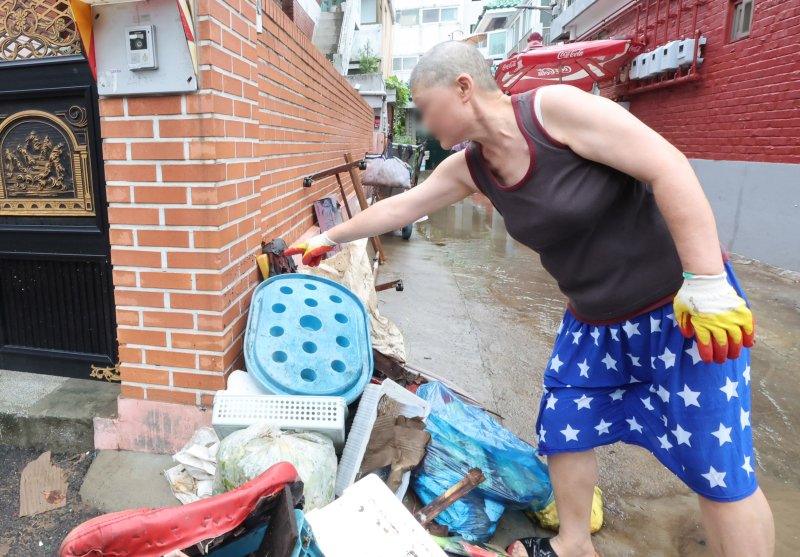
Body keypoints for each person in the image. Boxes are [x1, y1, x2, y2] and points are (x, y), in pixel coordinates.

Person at [285, 41, 774, 557]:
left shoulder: (554, 112)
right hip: (595, 322)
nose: (424, 124)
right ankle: (573, 544)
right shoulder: (471, 167)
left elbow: (666, 166)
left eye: (426, 107)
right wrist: (327, 238)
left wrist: (706, 278)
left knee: (715, 462)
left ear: (464, 87)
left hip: (679, 306)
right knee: (565, 424)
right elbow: (400, 208)